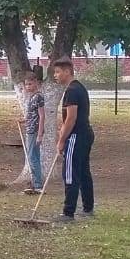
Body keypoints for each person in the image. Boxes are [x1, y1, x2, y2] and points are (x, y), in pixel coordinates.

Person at [51, 58, 94, 222]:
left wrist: (62, 140)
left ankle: (68, 212)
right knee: (83, 172)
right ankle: (88, 207)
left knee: (70, 173)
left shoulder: (72, 90)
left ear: (67, 71)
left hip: (76, 136)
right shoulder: (79, 88)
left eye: (58, 72)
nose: (55, 75)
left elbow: (71, 119)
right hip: (85, 134)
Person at [19, 68, 46, 195]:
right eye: (26, 84)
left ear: (36, 83)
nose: (28, 86)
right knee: (32, 156)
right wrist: (24, 120)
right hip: (29, 129)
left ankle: (38, 185)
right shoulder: (31, 97)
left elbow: (41, 116)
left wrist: (40, 134)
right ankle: (35, 182)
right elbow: (32, 115)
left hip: (34, 131)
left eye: (30, 84)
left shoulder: (38, 97)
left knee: (32, 157)